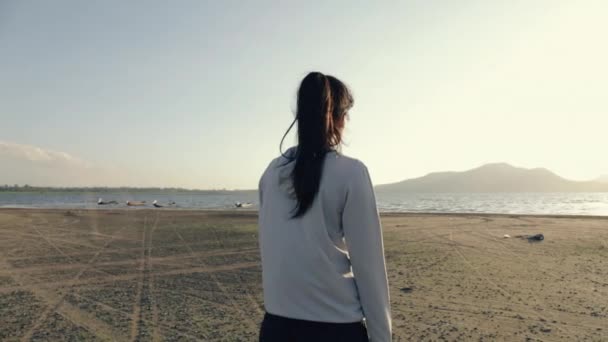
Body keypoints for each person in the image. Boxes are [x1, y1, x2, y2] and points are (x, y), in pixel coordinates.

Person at [257, 72, 392, 341]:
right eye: (347, 115)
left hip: (277, 327)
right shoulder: (351, 173)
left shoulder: (271, 174)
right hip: (336, 327)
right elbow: (369, 269)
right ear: (336, 118)